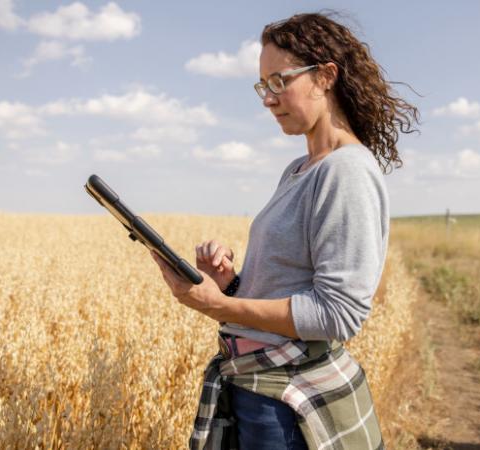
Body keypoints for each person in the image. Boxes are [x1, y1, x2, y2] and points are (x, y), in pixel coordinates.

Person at [151, 11, 419, 450]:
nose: (268, 98)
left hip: (289, 407)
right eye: (263, 85)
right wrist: (231, 285)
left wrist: (218, 306)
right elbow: (288, 287)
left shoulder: (346, 172)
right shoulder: (299, 169)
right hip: (260, 391)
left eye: (280, 81)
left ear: (326, 76)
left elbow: (339, 314)